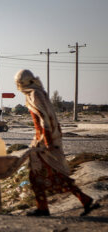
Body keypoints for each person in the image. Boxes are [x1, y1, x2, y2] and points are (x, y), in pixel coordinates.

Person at [15, 69, 99, 217]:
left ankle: (48, 207)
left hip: (46, 140)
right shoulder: (35, 93)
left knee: (44, 174)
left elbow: (45, 119)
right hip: (42, 139)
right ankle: (79, 201)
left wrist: (47, 141)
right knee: (41, 175)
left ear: (22, 83)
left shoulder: (35, 95)